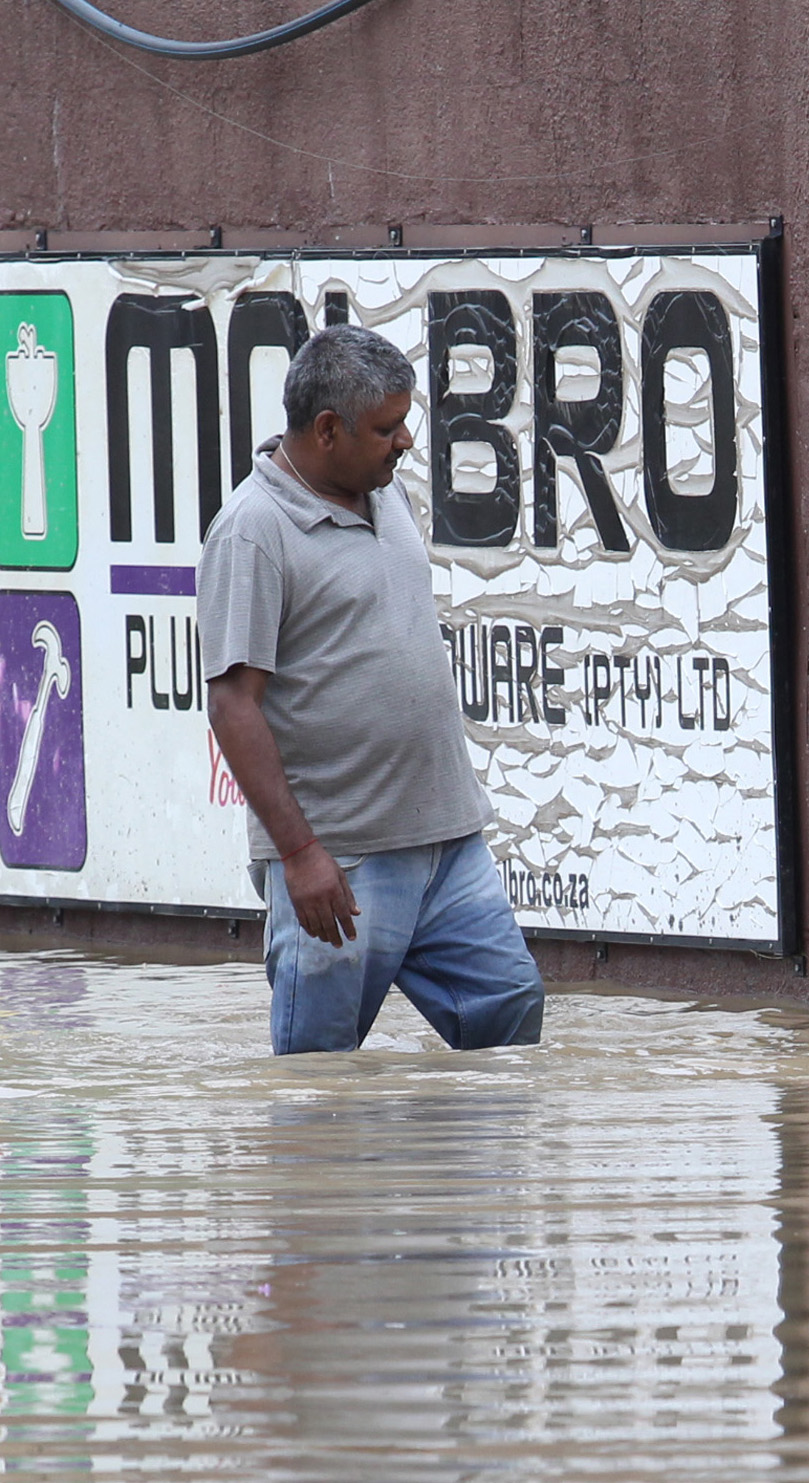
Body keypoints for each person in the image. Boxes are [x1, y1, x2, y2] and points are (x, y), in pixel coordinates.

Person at [200, 325, 547, 1056]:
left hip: (448, 842)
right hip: (341, 862)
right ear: (328, 431)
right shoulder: (252, 531)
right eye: (388, 428)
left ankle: (451, 1175)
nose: (407, 443)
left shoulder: (385, 497)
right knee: (318, 1077)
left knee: (510, 1015)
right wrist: (300, 854)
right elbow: (233, 704)